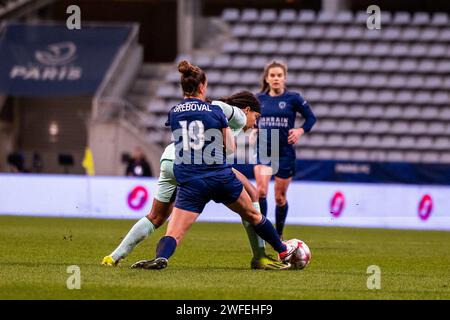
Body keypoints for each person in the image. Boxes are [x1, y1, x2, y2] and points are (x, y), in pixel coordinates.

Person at [129, 60, 299, 270]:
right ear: (202, 87)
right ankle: (282, 250)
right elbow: (230, 147)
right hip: (219, 176)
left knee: (174, 232)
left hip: (191, 180)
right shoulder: (217, 111)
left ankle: (162, 257)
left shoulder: (174, 112)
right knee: (253, 214)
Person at [254, 61, 316, 239]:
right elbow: (251, 118)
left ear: (284, 78)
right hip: (265, 150)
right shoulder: (259, 99)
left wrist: (300, 130)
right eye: (272, 75)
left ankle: (278, 234)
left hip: (284, 153)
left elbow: (311, 118)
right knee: (261, 191)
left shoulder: (293, 98)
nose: (275, 78)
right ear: (267, 78)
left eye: (279, 75)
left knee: (280, 197)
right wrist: (253, 129)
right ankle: (263, 234)